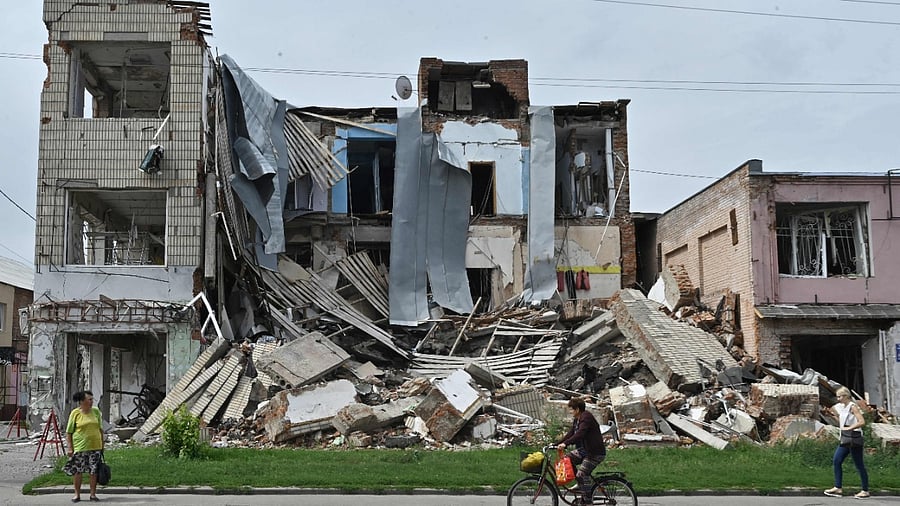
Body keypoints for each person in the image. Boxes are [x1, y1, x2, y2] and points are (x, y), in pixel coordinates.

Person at [557, 397, 607, 505]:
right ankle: (581, 484)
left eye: (571, 409)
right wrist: (556, 443)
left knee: (582, 474)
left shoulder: (586, 417)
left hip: (595, 453)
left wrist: (565, 444)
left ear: (577, 409)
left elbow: (580, 434)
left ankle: (587, 501)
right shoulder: (578, 419)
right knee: (567, 459)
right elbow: (571, 433)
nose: (570, 412)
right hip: (585, 450)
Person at [823, 387, 870, 499]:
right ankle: (838, 487)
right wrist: (831, 416)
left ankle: (865, 490)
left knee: (859, 464)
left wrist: (850, 428)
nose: (838, 399)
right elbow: (843, 423)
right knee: (837, 460)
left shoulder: (853, 407)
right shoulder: (843, 408)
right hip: (845, 438)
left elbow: (862, 421)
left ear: (846, 396)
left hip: (854, 438)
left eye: (840, 396)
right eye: (837, 396)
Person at [63, 390, 105, 503]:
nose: (91, 402)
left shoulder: (96, 412)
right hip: (80, 446)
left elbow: (100, 429)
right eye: (89, 399)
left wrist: (102, 444)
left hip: (95, 446)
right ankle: (77, 494)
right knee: (78, 471)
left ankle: (93, 494)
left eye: (92, 399)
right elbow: (69, 432)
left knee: (94, 471)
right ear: (82, 401)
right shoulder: (75, 413)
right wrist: (70, 447)